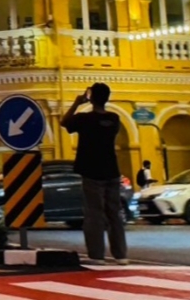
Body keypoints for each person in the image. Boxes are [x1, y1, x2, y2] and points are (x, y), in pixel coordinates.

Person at [61, 83, 127, 266]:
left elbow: (64, 122)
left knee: (94, 214)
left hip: (91, 171)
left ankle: (97, 255)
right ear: (107, 98)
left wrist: (77, 103)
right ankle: (121, 255)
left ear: (91, 97)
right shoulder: (114, 119)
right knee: (114, 213)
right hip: (112, 171)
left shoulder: (84, 119)